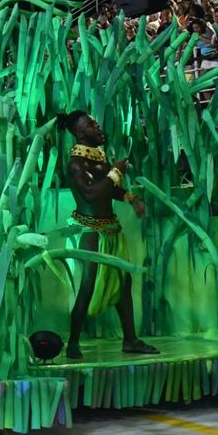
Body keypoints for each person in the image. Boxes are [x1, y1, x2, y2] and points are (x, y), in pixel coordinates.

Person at [56, 111, 157, 359]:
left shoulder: (98, 159)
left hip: (111, 228)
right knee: (88, 284)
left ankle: (130, 340)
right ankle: (73, 342)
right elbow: (91, 194)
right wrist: (115, 172)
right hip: (91, 231)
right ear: (81, 133)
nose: (97, 126)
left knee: (123, 283)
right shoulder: (76, 164)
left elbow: (109, 190)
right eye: (91, 124)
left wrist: (130, 198)